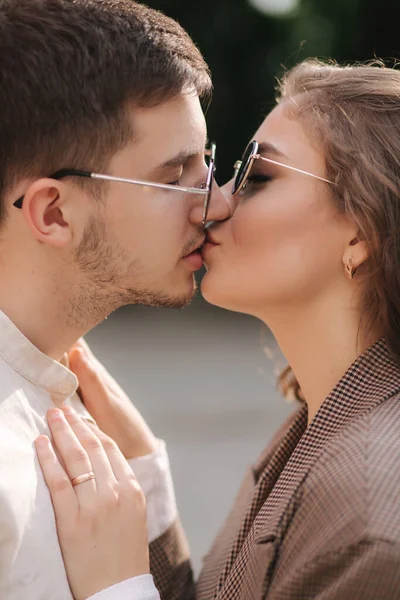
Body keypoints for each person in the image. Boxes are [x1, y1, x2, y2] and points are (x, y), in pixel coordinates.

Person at [38, 58, 400, 599]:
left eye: (259, 176)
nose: (219, 200)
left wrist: (117, 590)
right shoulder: (324, 424)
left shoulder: (370, 521)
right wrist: (147, 486)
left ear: (361, 233)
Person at [0, 0, 231, 598]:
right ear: (54, 212)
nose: (216, 201)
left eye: (205, 162)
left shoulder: (63, 393)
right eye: (174, 174)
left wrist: (148, 491)